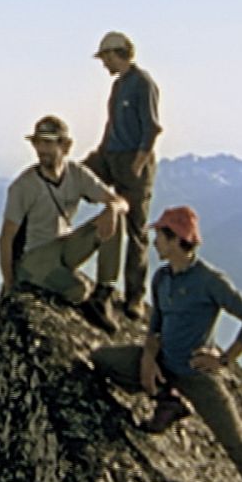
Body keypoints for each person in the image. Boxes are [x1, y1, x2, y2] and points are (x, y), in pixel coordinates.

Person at [89, 205, 242, 482]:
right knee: (101, 359)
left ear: (177, 240)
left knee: (235, 439)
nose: (154, 242)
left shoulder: (209, 281)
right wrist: (149, 360)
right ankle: (168, 399)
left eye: (160, 236)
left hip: (197, 373)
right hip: (164, 362)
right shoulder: (162, 278)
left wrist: (224, 359)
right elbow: (154, 327)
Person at [0, 115, 128, 333]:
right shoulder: (24, 186)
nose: (42, 149)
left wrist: (113, 209)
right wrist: (10, 284)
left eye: (48, 143)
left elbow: (121, 202)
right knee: (78, 290)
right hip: (35, 256)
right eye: (38, 143)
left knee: (116, 218)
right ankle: (55, 286)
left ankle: (104, 292)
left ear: (65, 146)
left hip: (64, 246)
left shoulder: (76, 174)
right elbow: (6, 237)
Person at [83, 31, 161, 322]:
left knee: (136, 230)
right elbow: (112, 124)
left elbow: (151, 128)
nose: (104, 64)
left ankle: (134, 299)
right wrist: (100, 154)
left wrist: (138, 165)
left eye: (106, 57)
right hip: (110, 155)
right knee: (71, 178)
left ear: (119, 53)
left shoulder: (143, 83)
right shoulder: (118, 86)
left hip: (132, 161)